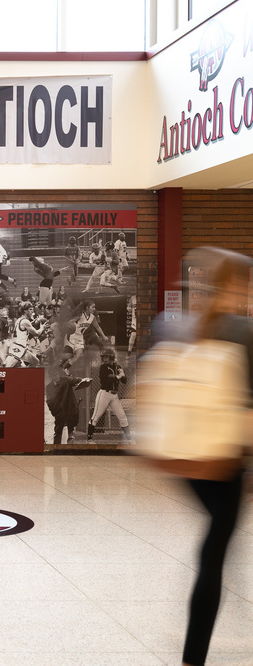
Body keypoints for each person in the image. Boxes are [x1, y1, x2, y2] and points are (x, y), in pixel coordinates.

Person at [159, 249, 253, 666]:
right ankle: (194, 654)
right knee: (215, 551)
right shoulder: (245, 332)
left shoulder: (173, 327)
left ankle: (193, 654)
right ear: (237, 285)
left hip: (184, 456)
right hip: (225, 456)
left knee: (214, 546)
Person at [87, 349, 130, 441]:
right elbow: (106, 380)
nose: (105, 359)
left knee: (123, 417)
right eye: (104, 357)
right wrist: (118, 376)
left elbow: (124, 381)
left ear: (111, 357)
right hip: (104, 394)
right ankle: (89, 438)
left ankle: (129, 439)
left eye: (106, 357)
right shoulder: (103, 368)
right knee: (95, 417)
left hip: (114, 396)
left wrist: (123, 374)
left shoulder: (117, 367)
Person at [46, 360, 91, 445]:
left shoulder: (66, 380)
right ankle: (56, 450)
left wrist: (83, 380)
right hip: (59, 413)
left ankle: (70, 449)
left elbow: (74, 380)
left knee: (71, 433)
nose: (56, 377)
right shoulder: (49, 387)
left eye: (57, 374)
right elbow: (49, 402)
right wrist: (55, 412)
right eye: (54, 375)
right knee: (58, 432)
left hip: (70, 410)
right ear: (50, 376)